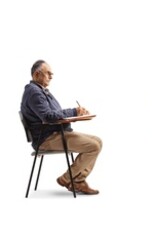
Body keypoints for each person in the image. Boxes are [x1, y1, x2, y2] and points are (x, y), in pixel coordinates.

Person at [20, 60, 102, 195]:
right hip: (46, 139)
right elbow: (48, 116)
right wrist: (74, 112)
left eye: (51, 74)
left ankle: (78, 181)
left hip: (55, 133)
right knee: (94, 146)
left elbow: (55, 113)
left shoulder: (41, 90)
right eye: (48, 73)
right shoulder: (35, 92)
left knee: (98, 141)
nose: (51, 76)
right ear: (36, 74)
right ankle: (67, 179)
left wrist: (74, 116)